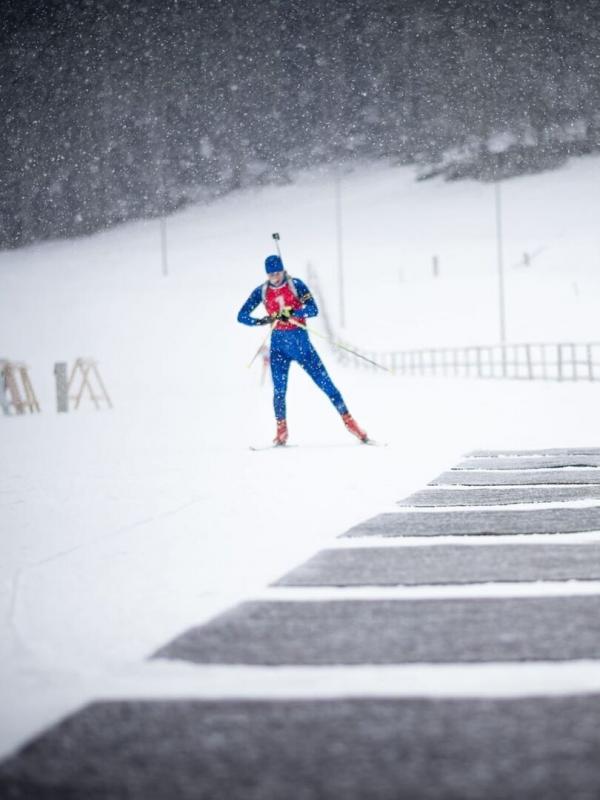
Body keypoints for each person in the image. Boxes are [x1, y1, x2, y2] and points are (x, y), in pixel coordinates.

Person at [237, 254, 369, 445]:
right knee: (279, 392)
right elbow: (241, 316)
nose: (275, 277)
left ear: (283, 270)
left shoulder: (296, 285)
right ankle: (281, 430)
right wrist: (263, 320)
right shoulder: (262, 291)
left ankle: (350, 422)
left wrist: (293, 312)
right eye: (271, 274)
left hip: (302, 347)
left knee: (327, 385)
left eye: (277, 272)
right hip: (278, 349)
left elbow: (313, 309)